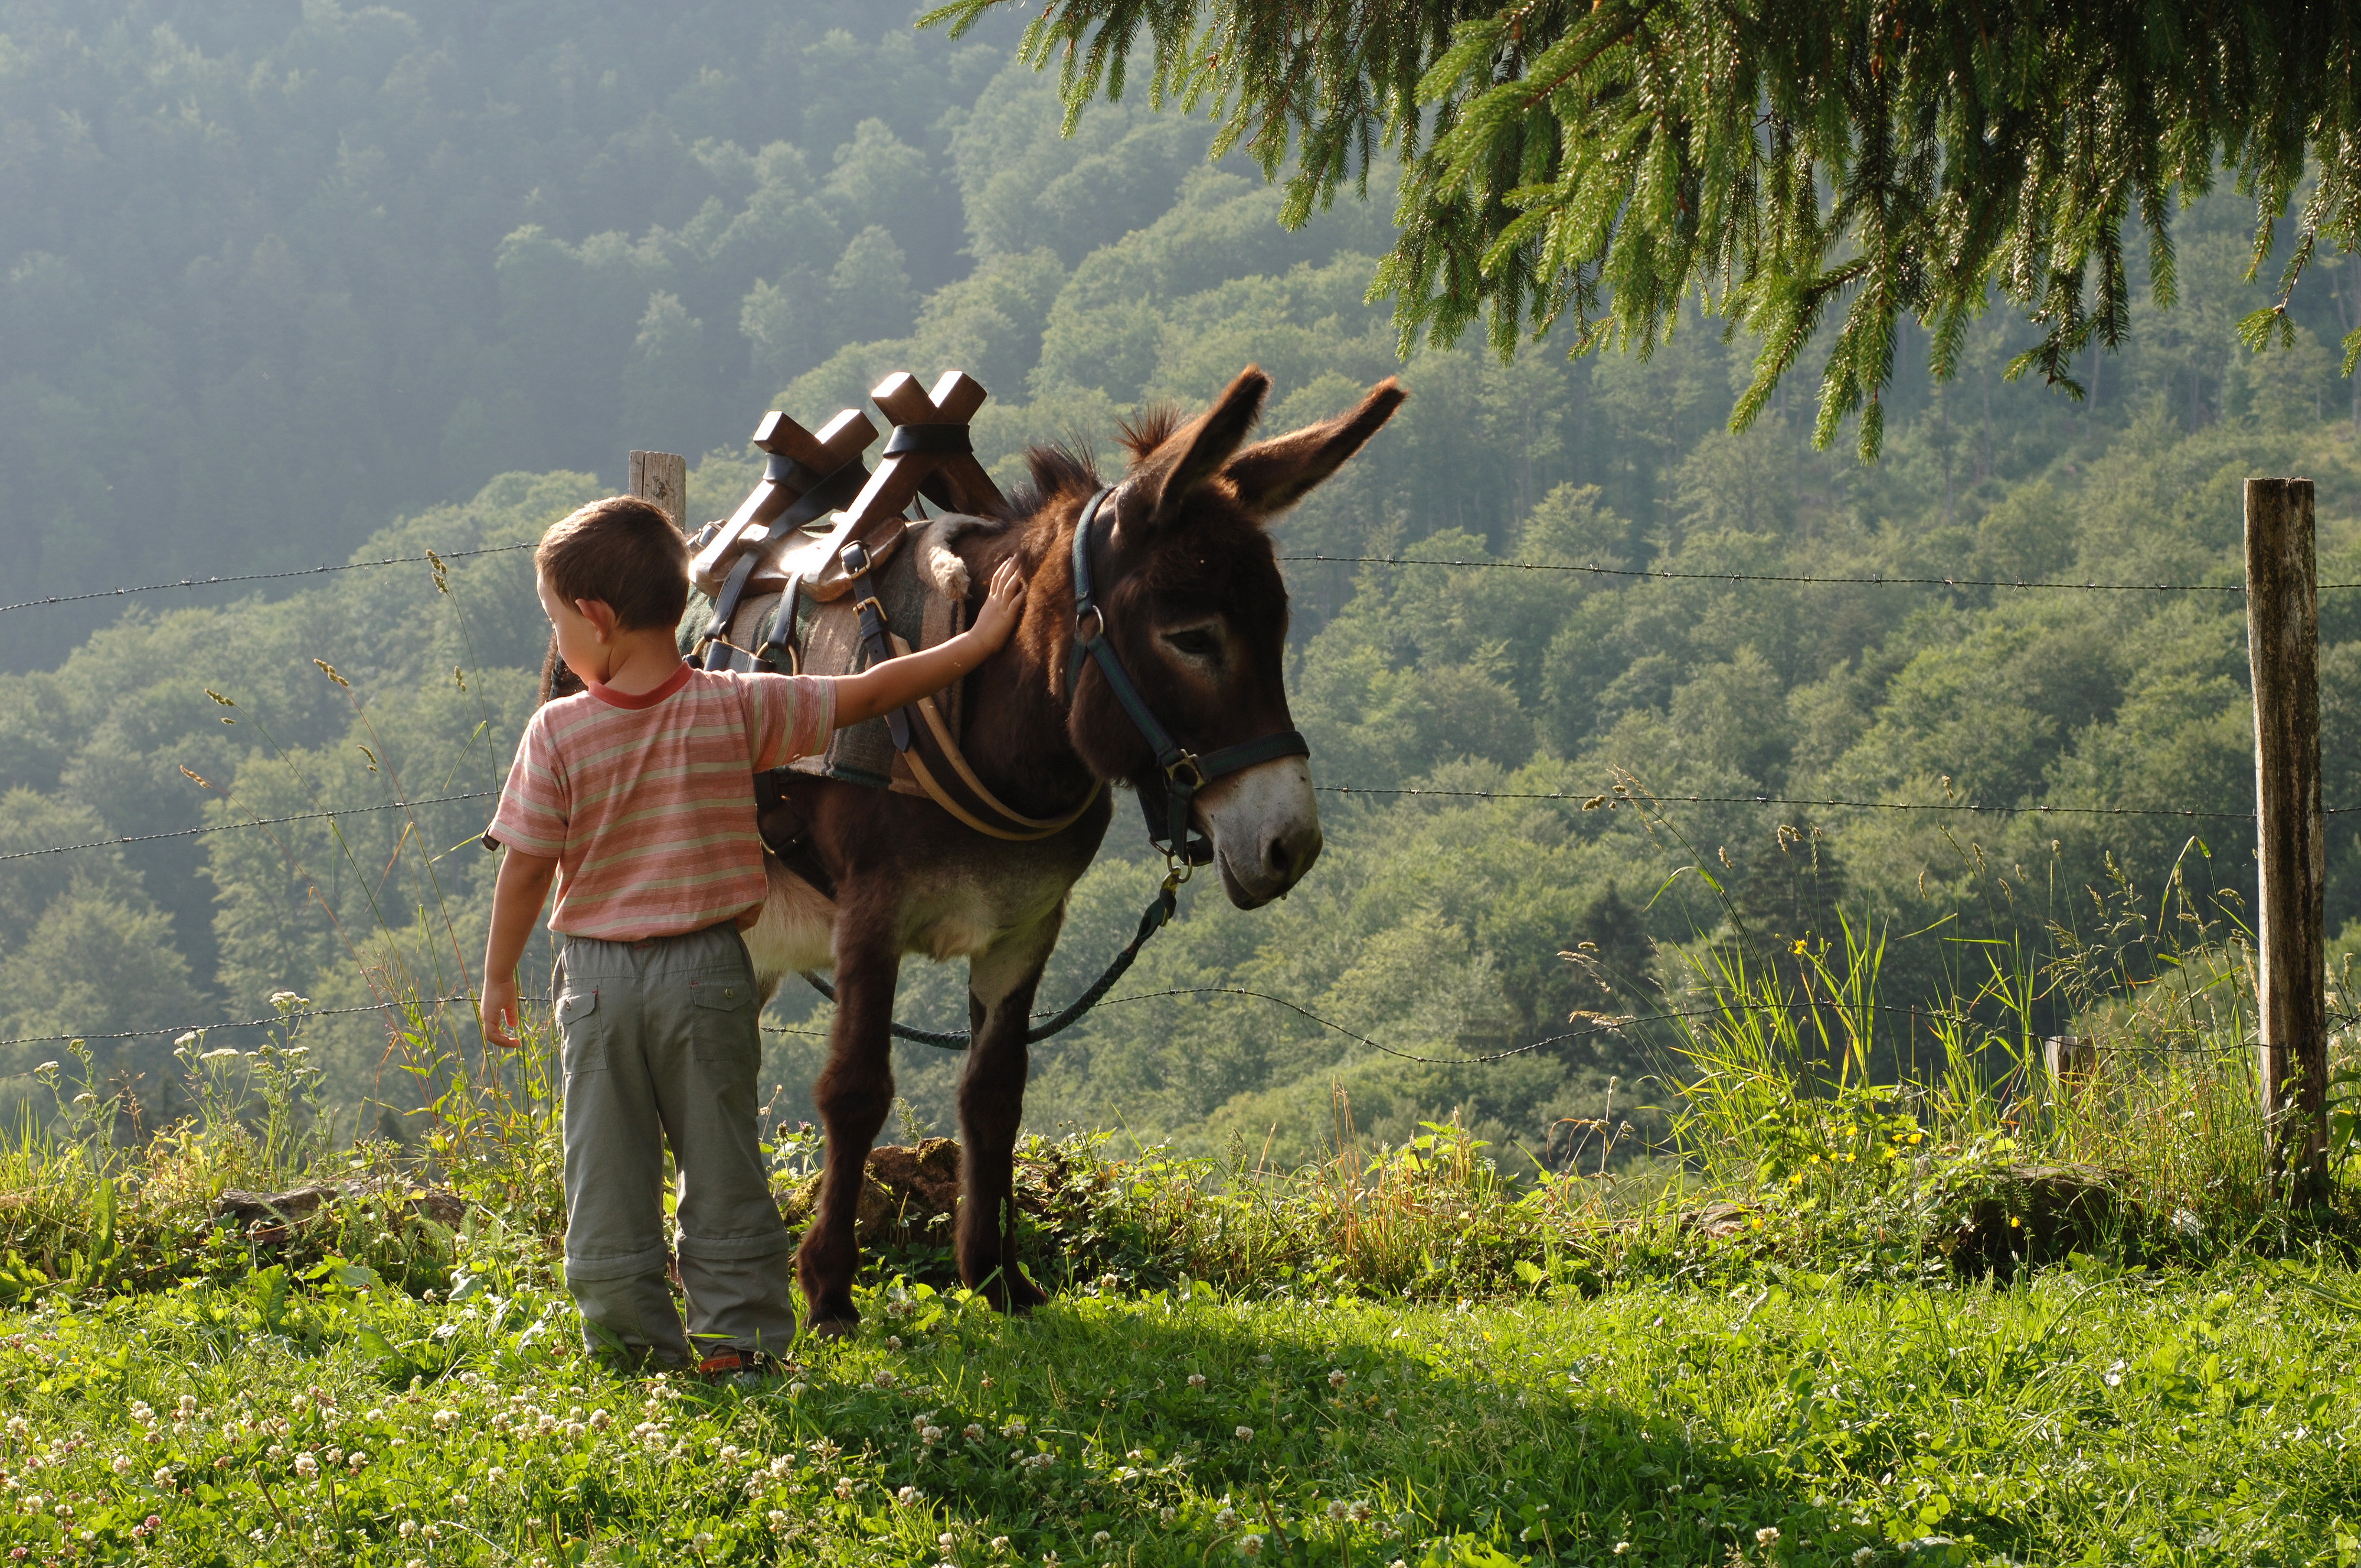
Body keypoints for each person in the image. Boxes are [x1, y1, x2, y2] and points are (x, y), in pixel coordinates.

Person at [478, 494, 1022, 1376]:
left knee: (605, 1170)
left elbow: (529, 866)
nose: (558, 645)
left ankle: (629, 1344)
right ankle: (740, 1340)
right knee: (723, 1160)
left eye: (554, 622)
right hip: (708, 975)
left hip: (600, 983)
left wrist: (500, 974)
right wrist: (979, 643)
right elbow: (868, 693)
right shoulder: (735, 708)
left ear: (596, 619)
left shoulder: (559, 730)